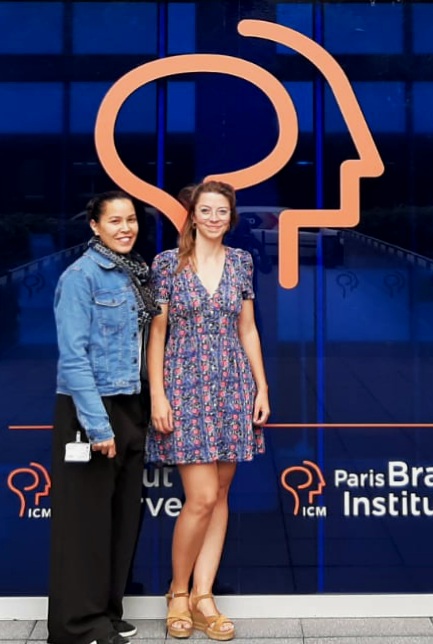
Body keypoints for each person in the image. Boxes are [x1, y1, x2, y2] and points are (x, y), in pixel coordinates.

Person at [146, 180, 270, 641]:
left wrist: (261, 386)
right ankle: (178, 593)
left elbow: (248, 329)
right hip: (184, 385)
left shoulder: (241, 262)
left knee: (219, 495)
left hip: (233, 386)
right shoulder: (167, 264)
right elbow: (157, 334)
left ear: (230, 217)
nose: (214, 218)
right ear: (192, 215)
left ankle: (204, 596)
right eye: (206, 210)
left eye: (222, 211)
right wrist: (157, 395)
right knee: (199, 498)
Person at [48, 191, 160, 644]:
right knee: (86, 524)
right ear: (94, 225)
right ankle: (77, 626)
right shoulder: (81, 277)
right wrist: (98, 426)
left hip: (130, 403)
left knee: (121, 519)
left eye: (130, 219)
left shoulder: (135, 273)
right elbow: (73, 358)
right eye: (114, 220)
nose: (125, 228)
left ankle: (107, 614)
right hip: (91, 408)